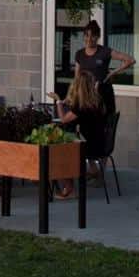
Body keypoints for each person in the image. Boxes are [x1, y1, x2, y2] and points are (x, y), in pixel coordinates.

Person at [53, 65, 107, 198]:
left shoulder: (82, 106)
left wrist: (58, 101)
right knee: (66, 145)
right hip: (100, 144)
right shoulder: (98, 101)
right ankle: (92, 171)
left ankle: (69, 188)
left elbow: (63, 119)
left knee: (58, 152)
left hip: (88, 146)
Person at [73, 19, 135, 113]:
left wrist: (112, 73)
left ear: (98, 36)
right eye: (86, 35)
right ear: (83, 36)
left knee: (105, 120)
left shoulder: (104, 52)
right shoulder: (79, 54)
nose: (89, 39)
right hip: (86, 97)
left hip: (103, 95)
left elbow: (130, 60)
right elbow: (77, 78)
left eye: (93, 36)